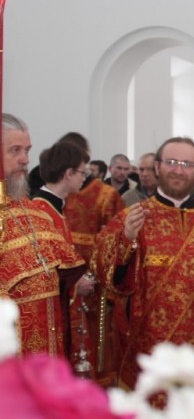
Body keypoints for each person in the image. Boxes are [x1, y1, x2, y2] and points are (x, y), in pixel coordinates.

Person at [94, 137, 194, 391]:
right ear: (157, 166)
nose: (179, 170)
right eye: (171, 162)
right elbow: (105, 274)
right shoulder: (130, 219)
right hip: (147, 349)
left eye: (187, 164)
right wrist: (127, 239)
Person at [0, 114, 86, 357]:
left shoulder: (36, 212)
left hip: (48, 349)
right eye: (15, 150)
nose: (25, 159)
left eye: (27, 150)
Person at [61, 132, 126, 384]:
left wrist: (95, 278)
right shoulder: (58, 194)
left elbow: (117, 244)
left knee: (98, 347)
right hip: (64, 283)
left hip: (95, 286)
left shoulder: (107, 196)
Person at [31, 141, 96, 361]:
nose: (84, 178)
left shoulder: (55, 207)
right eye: (82, 172)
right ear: (69, 173)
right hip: (46, 313)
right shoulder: (39, 211)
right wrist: (76, 284)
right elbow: (41, 269)